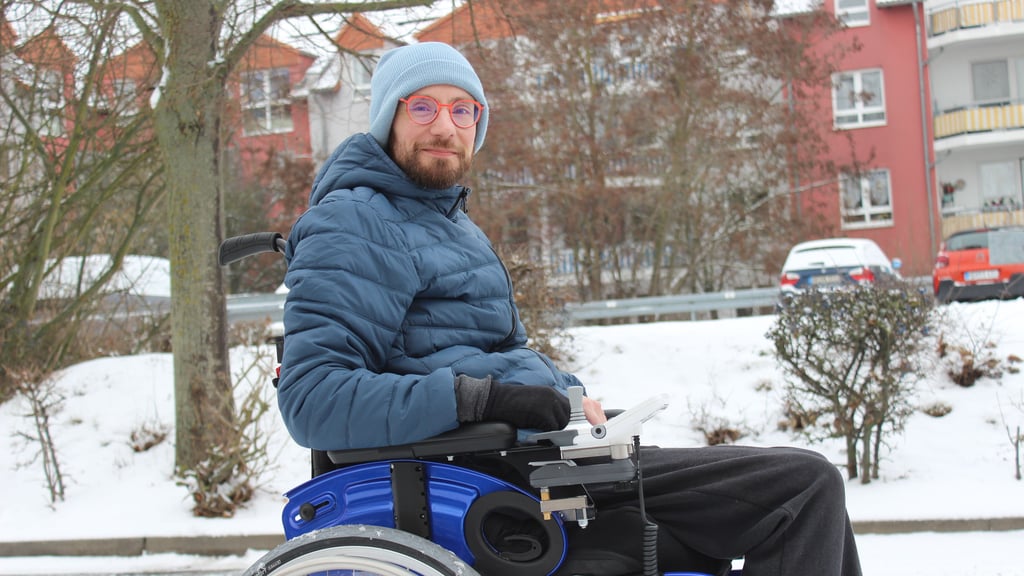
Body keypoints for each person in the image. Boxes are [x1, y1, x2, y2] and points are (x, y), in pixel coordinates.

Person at [278, 41, 862, 576]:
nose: (446, 126)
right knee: (802, 489)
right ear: (389, 118)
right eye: (424, 107)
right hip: (480, 474)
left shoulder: (450, 224)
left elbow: (500, 351)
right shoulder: (354, 221)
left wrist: (568, 395)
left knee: (792, 493)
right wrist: (478, 398)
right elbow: (314, 400)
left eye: (463, 111)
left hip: (535, 454)